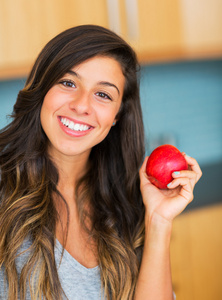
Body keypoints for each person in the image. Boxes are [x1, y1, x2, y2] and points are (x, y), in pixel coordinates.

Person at [0, 25, 202, 300]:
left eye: (103, 94)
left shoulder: (125, 202)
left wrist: (158, 221)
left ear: (117, 116)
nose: (82, 105)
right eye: (68, 83)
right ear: (42, 88)